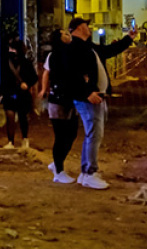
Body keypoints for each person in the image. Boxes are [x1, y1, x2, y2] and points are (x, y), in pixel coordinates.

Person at [67, 17, 133, 190]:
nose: (89, 27)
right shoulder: (75, 48)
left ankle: (85, 172)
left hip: (96, 97)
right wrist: (86, 93)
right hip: (89, 99)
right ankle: (90, 172)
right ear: (79, 28)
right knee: (94, 135)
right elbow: (71, 74)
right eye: (86, 25)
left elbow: (109, 50)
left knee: (92, 134)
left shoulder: (88, 47)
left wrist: (129, 39)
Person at [38, 28, 78, 183]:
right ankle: (59, 171)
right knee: (60, 135)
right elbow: (46, 73)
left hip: (71, 98)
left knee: (72, 133)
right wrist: (43, 89)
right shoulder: (53, 55)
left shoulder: (73, 52)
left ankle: (57, 163)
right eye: (65, 34)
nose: (69, 35)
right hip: (57, 99)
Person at [0, 37, 38, 149]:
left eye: (13, 49)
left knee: (22, 117)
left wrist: (27, 84)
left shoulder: (26, 63)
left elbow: (34, 77)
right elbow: (3, 78)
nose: (11, 51)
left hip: (22, 94)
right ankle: (10, 141)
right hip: (9, 93)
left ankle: (25, 139)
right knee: (10, 117)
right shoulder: (5, 62)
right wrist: (1, 93)